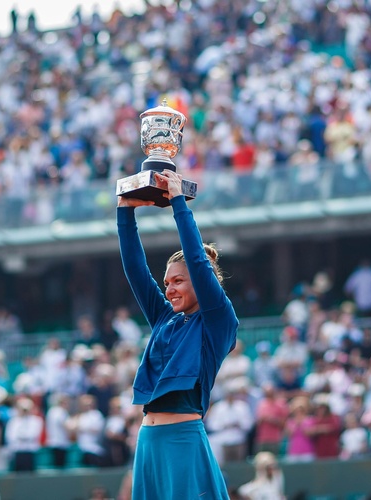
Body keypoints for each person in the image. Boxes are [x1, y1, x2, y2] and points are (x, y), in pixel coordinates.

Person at [117, 169, 238, 499]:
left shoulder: (217, 320)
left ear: (201, 282)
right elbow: (135, 269)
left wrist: (178, 203)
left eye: (178, 281)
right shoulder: (164, 319)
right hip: (148, 441)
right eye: (167, 282)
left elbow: (198, 261)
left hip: (182, 438)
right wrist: (125, 211)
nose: (169, 289)